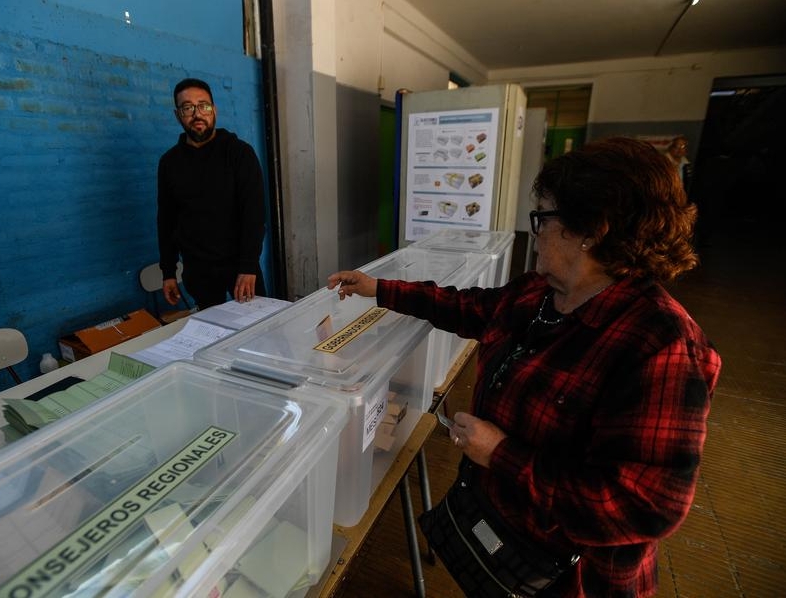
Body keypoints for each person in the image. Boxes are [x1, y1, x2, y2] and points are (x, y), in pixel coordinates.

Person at [328, 137, 721, 597]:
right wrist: (379, 288)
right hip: (504, 542)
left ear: (593, 229)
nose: (535, 231)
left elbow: (644, 506)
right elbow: (467, 307)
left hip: (568, 577)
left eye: (545, 217)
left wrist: (501, 455)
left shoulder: (661, 346)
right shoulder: (540, 291)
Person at [156, 77, 266, 310]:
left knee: (259, 330)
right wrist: (168, 272)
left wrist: (248, 266)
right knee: (211, 335)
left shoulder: (239, 154)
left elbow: (254, 214)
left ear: (214, 110)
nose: (197, 114)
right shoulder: (169, 163)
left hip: (240, 267)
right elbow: (166, 221)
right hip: (198, 270)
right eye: (187, 108)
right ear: (178, 115)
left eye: (203, 105)